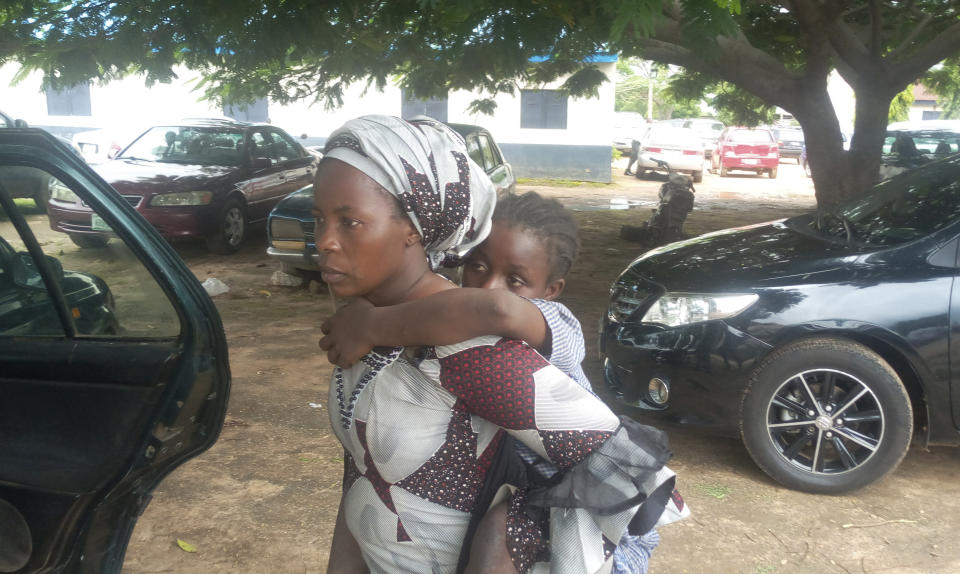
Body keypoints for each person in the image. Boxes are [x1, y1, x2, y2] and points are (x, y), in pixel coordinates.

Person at [316, 115, 678, 574]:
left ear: (414, 227)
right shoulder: (369, 327)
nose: (323, 241)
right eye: (319, 218)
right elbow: (364, 470)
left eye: (349, 221)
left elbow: (629, 469)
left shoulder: (478, 344)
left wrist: (528, 531)